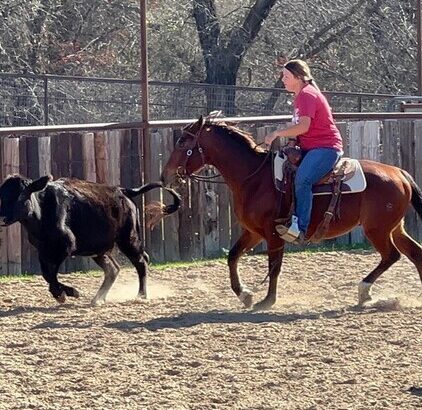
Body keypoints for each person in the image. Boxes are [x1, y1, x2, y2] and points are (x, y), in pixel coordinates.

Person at [265, 59, 343, 245]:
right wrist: (292, 141)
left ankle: (300, 229)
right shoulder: (302, 95)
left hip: (326, 147)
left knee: (303, 179)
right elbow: (302, 128)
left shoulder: (306, 95)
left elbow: (304, 126)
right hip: (314, 147)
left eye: (286, 76)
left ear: (299, 77)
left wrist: (277, 133)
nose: (282, 79)